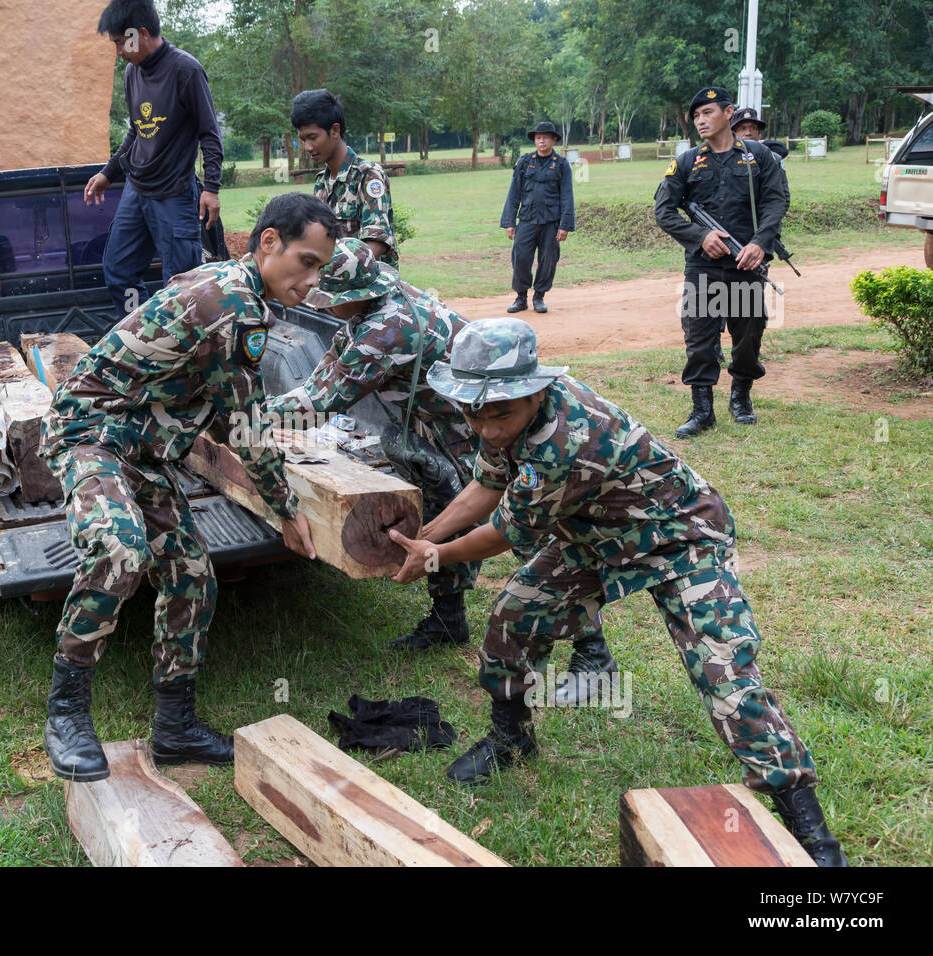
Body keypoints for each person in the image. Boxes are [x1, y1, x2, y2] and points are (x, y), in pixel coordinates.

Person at [387, 317, 847, 867]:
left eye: (499, 414)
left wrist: (435, 557)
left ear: (534, 392)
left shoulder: (568, 438)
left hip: (678, 538)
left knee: (724, 676)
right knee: (512, 620)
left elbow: (508, 532)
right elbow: (488, 485)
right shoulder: (503, 418)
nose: (486, 428)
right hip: (593, 535)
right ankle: (512, 738)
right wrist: (424, 537)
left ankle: (809, 830)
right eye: (473, 413)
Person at [37, 193, 339, 782]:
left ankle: (175, 729)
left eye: (321, 268)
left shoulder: (241, 292)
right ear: (269, 243)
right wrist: (286, 511)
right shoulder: (233, 305)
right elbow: (247, 429)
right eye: (306, 261)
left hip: (142, 449)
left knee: (192, 572)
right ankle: (66, 713)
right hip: (90, 436)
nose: (312, 279)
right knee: (119, 549)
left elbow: (228, 414)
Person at [266, 240, 619, 687]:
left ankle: (592, 649)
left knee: (529, 534)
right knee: (435, 515)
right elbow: (325, 375)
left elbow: (320, 401)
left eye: (326, 297)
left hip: (487, 423)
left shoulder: (387, 328)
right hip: (439, 426)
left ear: (353, 293)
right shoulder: (363, 315)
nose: (319, 303)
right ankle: (448, 617)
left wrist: (244, 416)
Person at [654, 87, 788, 437]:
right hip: (704, 265)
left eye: (708, 113)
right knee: (698, 336)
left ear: (729, 112)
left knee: (748, 336)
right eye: (696, 116)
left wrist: (761, 243)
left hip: (747, 261)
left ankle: (741, 397)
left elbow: (776, 201)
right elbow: (664, 210)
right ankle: (702, 410)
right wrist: (700, 237)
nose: (701, 121)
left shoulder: (758, 156)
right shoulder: (686, 161)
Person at [86, 0, 224, 321]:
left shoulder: (185, 70)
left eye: (122, 42)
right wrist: (109, 173)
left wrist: (212, 188)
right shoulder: (132, 74)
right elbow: (137, 132)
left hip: (174, 193)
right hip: (137, 191)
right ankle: (139, 334)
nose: (119, 52)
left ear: (142, 34)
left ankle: (178, 355)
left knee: (181, 285)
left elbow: (210, 134)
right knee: (119, 271)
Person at [291, 89, 398, 268]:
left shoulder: (367, 176)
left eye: (312, 137)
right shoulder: (321, 183)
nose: (307, 147)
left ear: (334, 130)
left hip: (370, 289)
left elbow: (376, 243)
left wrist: (334, 271)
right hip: (334, 288)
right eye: (303, 140)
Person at [501, 120, 575, 315]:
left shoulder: (561, 164)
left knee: (548, 259)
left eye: (545, 137)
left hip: (551, 222)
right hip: (527, 219)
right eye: (538, 137)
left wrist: (565, 225)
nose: (541, 141)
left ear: (553, 140)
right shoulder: (525, 162)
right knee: (521, 257)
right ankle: (521, 297)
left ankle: (539, 296)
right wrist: (510, 222)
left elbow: (567, 196)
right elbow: (513, 193)